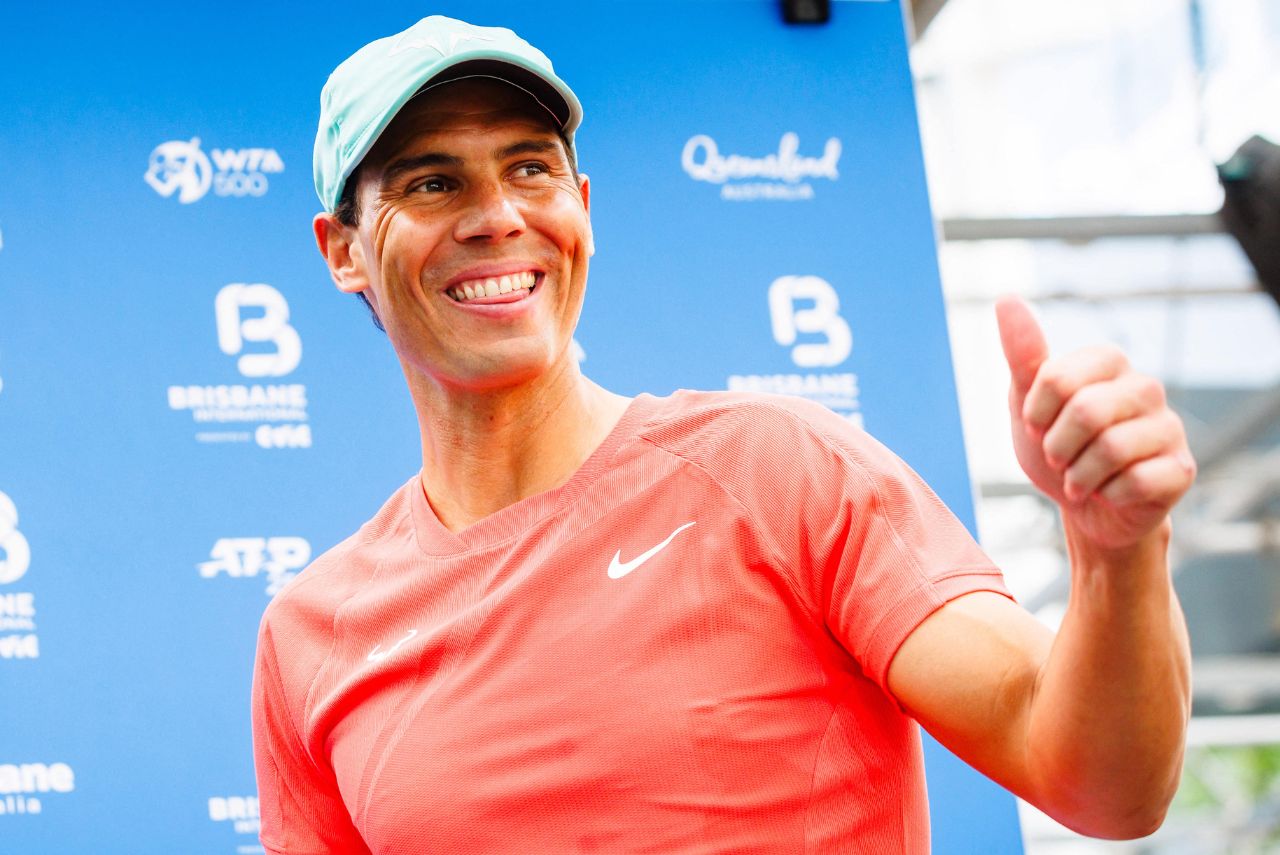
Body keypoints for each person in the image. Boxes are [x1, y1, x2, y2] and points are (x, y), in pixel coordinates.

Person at [251, 15, 1195, 854]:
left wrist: (1116, 553)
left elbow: (1101, 786)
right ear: (342, 250)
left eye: (529, 167)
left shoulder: (779, 468)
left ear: (582, 204)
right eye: (431, 182)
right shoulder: (309, 633)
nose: (497, 217)